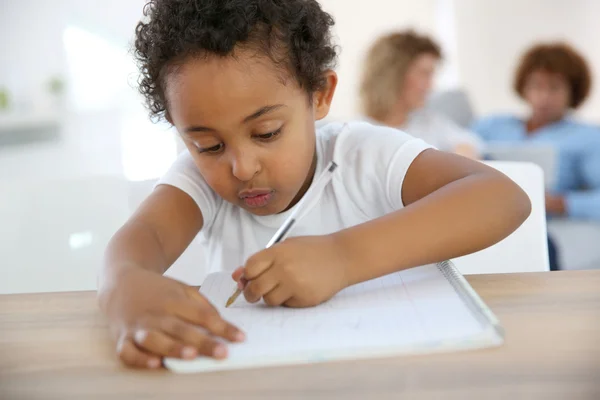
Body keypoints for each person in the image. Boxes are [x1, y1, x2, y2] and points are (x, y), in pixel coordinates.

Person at [98, 0, 531, 369]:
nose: (242, 167)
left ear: (320, 95)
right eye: (208, 144)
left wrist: (342, 257)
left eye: (266, 132)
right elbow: (145, 236)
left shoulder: (363, 154)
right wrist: (122, 284)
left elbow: (502, 198)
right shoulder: (197, 180)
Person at [472, 42, 600, 269]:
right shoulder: (492, 125)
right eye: (536, 86)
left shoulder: (587, 137)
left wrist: (561, 203)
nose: (543, 97)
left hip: (535, 219)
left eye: (554, 88)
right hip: (482, 213)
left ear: (572, 91)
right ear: (523, 87)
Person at [360, 30, 482, 158]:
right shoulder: (360, 133)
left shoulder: (429, 122)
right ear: (394, 76)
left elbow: (469, 143)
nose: (430, 86)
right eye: (424, 74)